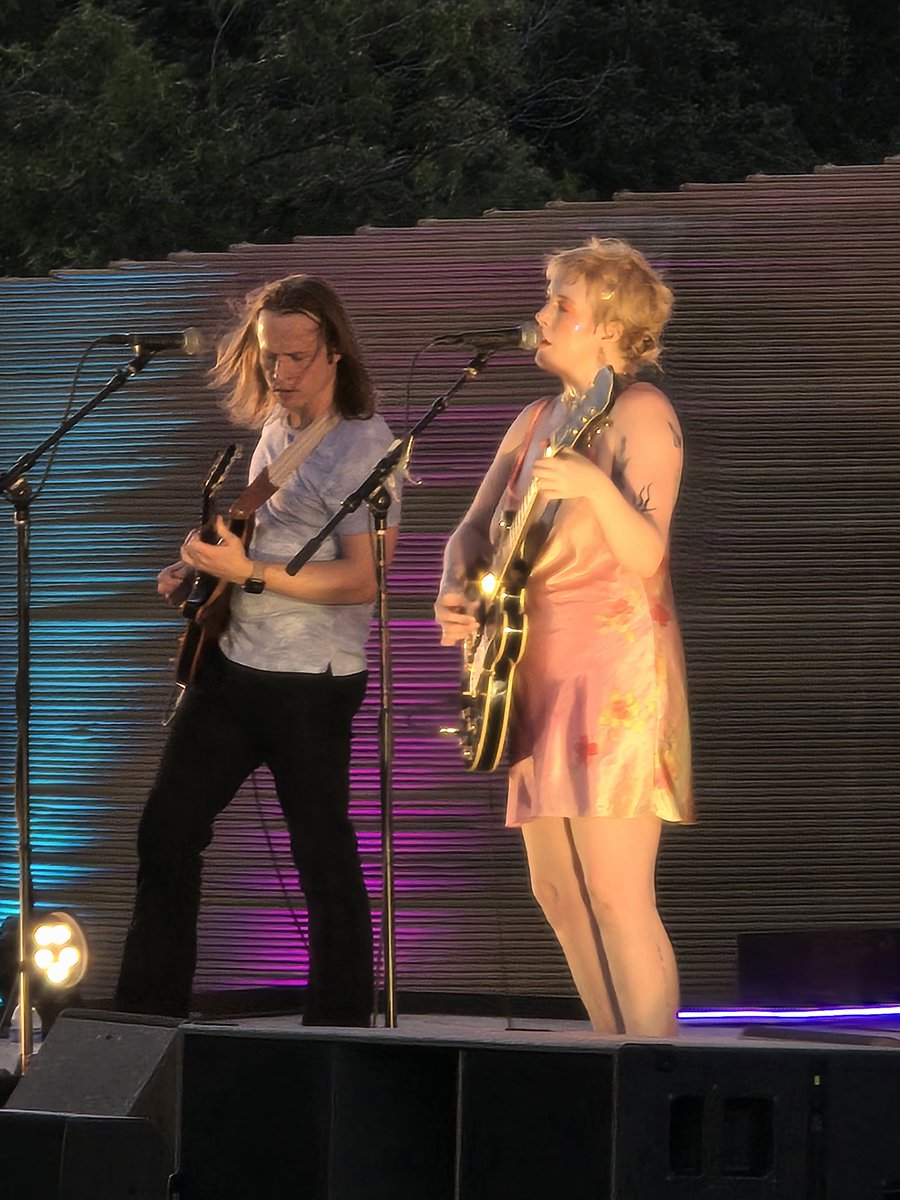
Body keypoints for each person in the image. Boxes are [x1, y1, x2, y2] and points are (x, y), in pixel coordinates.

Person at [115, 275, 399, 1026]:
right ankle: (146, 1020)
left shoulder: (367, 449)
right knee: (167, 831)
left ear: (335, 350)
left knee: (322, 858)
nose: (282, 373)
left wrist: (250, 574)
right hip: (236, 666)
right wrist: (205, 568)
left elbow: (362, 581)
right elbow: (256, 533)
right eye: (271, 357)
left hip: (312, 684)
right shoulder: (277, 427)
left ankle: (337, 1030)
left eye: (298, 357)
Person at [435, 238, 692, 1036]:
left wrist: (590, 486)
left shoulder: (643, 414)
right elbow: (473, 529)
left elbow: (648, 551)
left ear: (610, 329)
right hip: (529, 664)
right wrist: (454, 584)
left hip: (614, 671)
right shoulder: (537, 417)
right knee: (558, 890)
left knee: (617, 892)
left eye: (561, 307)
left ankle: (655, 1078)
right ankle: (613, 1054)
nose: (541, 318)